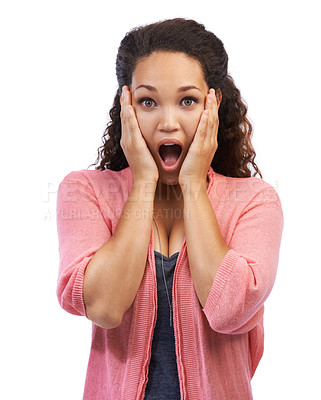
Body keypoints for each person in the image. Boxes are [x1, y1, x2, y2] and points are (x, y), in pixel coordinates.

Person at [56, 18, 283, 400]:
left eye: (188, 101)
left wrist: (194, 185)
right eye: (147, 102)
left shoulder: (256, 201)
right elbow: (105, 307)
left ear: (214, 105)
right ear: (125, 106)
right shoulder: (84, 192)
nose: (167, 122)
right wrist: (143, 183)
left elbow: (229, 310)